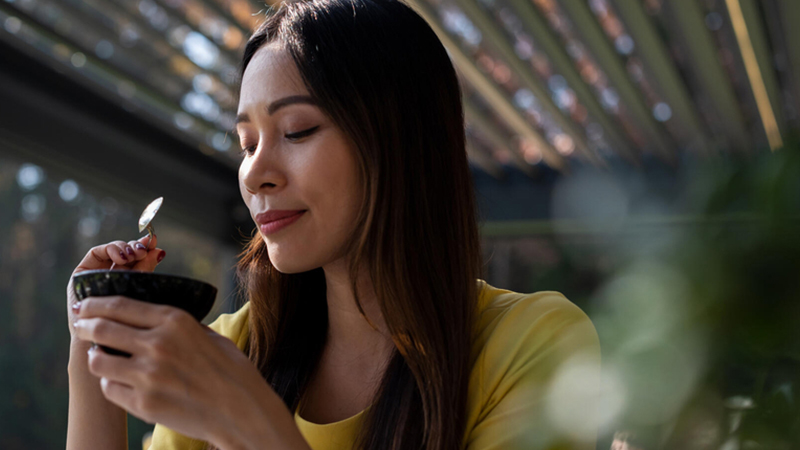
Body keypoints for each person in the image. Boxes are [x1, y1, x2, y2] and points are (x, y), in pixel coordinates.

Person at [65, 0, 601, 449]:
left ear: (399, 141)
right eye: (247, 144)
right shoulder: (233, 347)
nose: (254, 174)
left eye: (296, 130)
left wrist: (251, 423)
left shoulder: (532, 343)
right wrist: (91, 352)